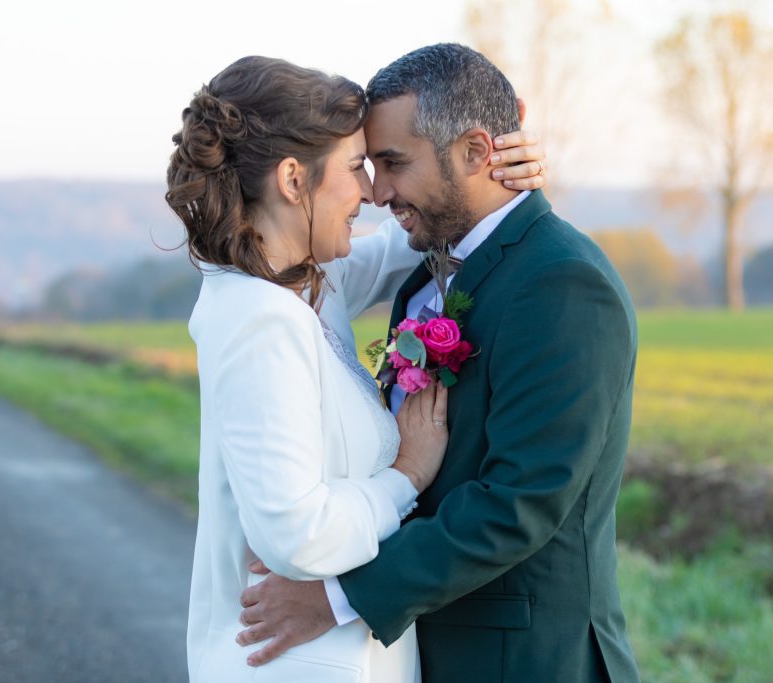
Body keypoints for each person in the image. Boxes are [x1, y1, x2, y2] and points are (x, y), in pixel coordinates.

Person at [236, 44, 641, 683]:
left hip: (525, 661)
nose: (379, 191)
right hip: (427, 651)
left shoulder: (563, 283)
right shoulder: (427, 279)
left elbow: (519, 502)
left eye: (394, 163)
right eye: (370, 165)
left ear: (479, 152)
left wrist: (335, 599)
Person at [165, 55, 547, 683]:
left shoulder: (310, 284)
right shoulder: (258, 318)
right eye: (354, 169)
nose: (372, 193)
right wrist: (407, 475)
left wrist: (497, 168)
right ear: (293, 180)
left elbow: (423, 228)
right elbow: (298, 534)